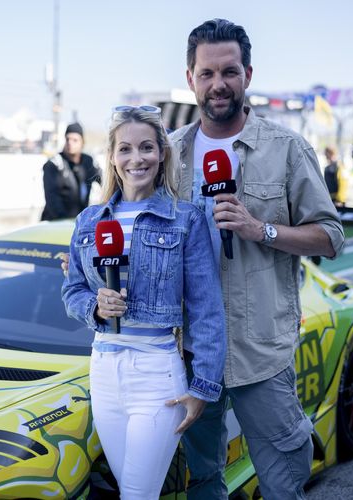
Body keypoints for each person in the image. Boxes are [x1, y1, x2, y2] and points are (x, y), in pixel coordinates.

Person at [168, 19, 344, 499]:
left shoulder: (287, 149)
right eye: (206, 74)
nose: (218, 84)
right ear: (190, 79)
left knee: (283, 480)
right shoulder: (171, 154)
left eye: (229, 71)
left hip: (260, 354)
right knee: (203, 478)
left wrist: (259, 229)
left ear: (248, 73)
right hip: (190, 354)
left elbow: (330, 236)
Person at [61, 106, 226, 499]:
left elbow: (206, 309)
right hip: (102, 371)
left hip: (156, 374)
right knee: (135, 492)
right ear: (113, 158)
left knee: (136, 495)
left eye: (147, 147)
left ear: (162, 154)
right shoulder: (89, 221)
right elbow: (72, 291)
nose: (137, 158)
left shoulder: (185, 219)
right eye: (126, 149)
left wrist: (203, 386)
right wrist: (95, 307)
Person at [41, 122, 101, 221]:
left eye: (75, 140)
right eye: (67, 139)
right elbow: (52, 200)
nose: (70, 143)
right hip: (55, 223)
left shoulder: (88, 162)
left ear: (83, 142)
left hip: (79, 223)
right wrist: (66, 222)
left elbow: (106, 183)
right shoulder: (54, 164)